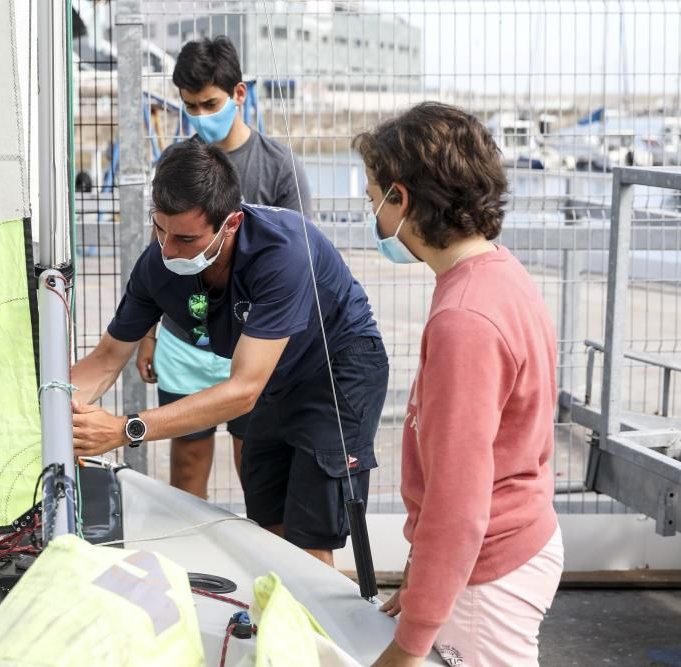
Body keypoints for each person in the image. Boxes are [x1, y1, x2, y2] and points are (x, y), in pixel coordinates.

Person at [71, 140, 387, 566]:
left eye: (185, 238)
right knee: (265, 517)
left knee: (310, 533)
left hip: (335, 367)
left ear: (232, 223)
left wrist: (125, 429)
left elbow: (242, 391)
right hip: (271, 377)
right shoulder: (156, 263)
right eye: (159, 229)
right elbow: (107, 358)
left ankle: (309, 626)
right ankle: (278, 612)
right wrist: (49, 408)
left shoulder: (282, 250)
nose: (168, 250)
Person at [355, 103, 564, 667]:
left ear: (402, 199)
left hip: (488, 570)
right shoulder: (500, 273)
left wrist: (412, 640)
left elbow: (457, 501)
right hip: (517, 539)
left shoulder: (463, 320)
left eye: (373, 197)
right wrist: (426, 583)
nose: (372, 212)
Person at [135, 35, 312, 500]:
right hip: (185, 335)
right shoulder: (175, 164)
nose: (199, 115)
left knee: (252, 463)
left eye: (209, 103)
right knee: (187, 465)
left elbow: (299, 263)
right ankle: (188, 567)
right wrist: (148, 333)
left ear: (239, 94)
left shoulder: (278, 166)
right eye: (189, 106)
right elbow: (158, 255)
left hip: (251, 341)